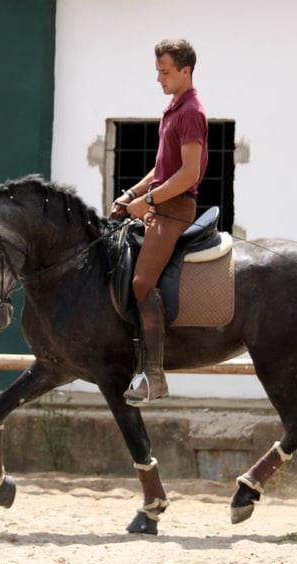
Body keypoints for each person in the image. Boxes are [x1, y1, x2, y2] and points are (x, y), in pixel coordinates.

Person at [111, 39, 209, 406]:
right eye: (158, 72)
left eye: (165, 72)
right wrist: (131, 195)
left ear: (186, 70)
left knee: (141, 282)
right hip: (158, 205)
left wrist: (148, 201)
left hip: (174, 210)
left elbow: (187, 174)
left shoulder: (191, 112)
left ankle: (155, 375)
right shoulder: (173, 109)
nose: (159, 79)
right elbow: (161, 167)